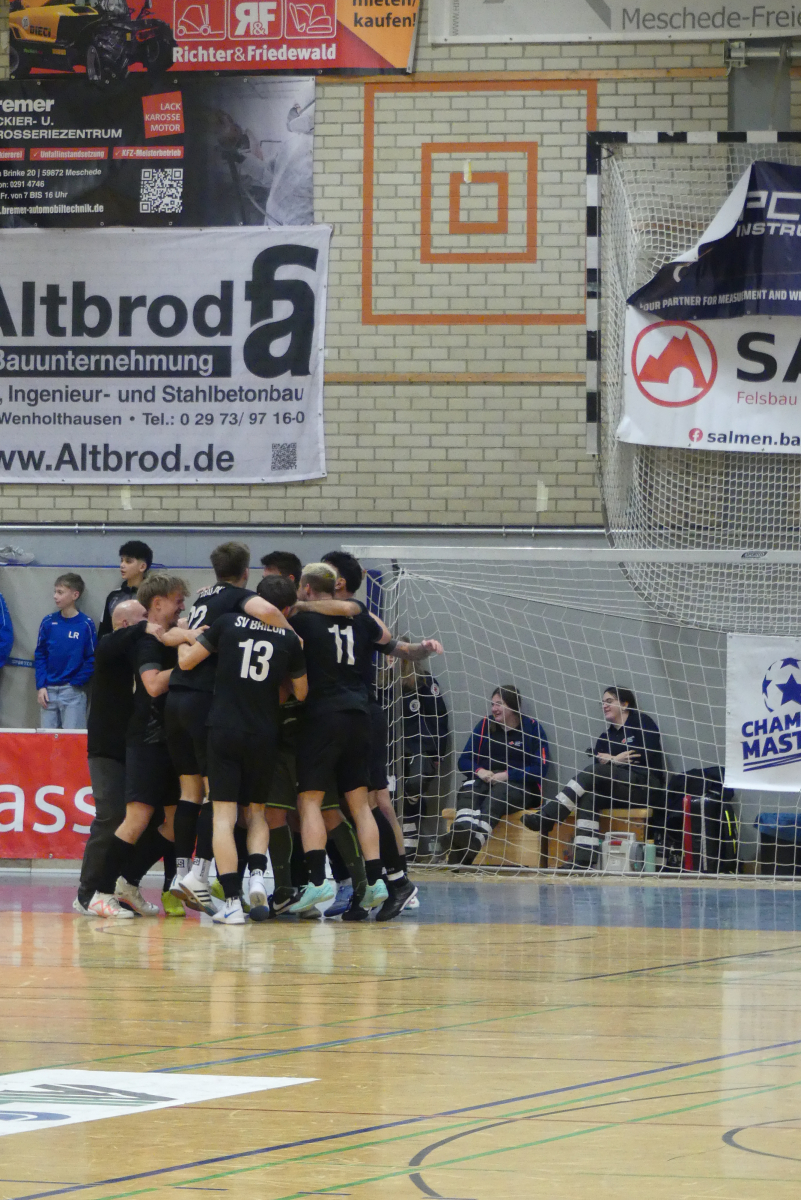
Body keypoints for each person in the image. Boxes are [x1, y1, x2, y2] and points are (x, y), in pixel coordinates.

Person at [164, 541, 293, 914]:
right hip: (210, 702)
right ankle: (201, 875)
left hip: (177, 699)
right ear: (246, 572)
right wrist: (292, 636)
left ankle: (185, 874)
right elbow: (269, 611)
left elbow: (173, 635)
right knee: (221, 800)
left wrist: (184, 636)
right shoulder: (241, 601)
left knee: (193, 793)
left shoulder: (204, 596)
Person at [175, 598, 308, 926]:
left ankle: (233, 901)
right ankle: (258, 878)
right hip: (263, 731)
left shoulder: (227, 623)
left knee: (224, 816)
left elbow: (188, 662)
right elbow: (302, 692)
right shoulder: (289, 638)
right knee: (257, 813)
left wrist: (180, 635)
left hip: (224, 728)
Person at [87, 574, 192, 919]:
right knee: (134, 818)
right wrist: (191, 664)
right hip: (146, 739)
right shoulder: (146, 640)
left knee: (174, 823)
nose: (182, 606)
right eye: (178, 600)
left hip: (171, 739)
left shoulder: (172, 635)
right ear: (157, 602)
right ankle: (100, 892)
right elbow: (153, 685)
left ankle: (128, 881)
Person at [287, 563, 390, 914]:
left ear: (307, 588)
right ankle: (375, 882)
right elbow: (387, 639)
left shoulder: (302, 620)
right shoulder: (359, 618)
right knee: (360, 804)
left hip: (323, 715)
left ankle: (317, 883)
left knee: (309, 802)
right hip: (360, 714)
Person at [523, 686, 666, 869]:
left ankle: (549, 815)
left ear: (624, 704)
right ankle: (583, 861)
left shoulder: (641, 722)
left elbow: (645, 754)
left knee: (594, 771)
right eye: (603, 703)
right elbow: (602, 772)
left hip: (645, 786)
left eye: (609, 701)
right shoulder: (605, 738)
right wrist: (616, 760)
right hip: (621, 791)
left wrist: (613, 760)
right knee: (589, 796)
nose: (604, 705)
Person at [73, 599, 147, 916]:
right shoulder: (107, 646)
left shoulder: (138, 651)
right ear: (126, 623)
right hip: (106, 748)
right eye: (143, 616)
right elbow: (120, 638)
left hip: (135, 747)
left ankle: (123, 886)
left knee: (142, 818)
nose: (149, 621)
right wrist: (156, 625)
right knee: (110, 817)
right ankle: (87, 894)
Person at [450, 686, 549, 866]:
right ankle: (460, 834)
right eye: (492, 704)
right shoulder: (485, 725)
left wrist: (507, 775)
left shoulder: (532, 728)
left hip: (522, 785)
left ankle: (469, 849)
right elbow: (464, 760)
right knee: (469, 788)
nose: (494, 709)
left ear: (512, 706)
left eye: (499, 704)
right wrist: (479, 771)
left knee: (497, 795)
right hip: (488, 780)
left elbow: (540, 768)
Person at [397, 658, 450, 860]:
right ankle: (403, 848)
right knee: (391, 795)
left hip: (420, 748)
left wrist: (438, 753)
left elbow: (439, 717)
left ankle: (409, 845)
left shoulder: (424, 682)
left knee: (414, 786)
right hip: (392, 750)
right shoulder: (382, 683)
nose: (391, 658)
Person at [35, 572, 96, 730]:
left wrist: (76, 682)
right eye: (55, 591)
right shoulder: (48, 622)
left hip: (72, 692)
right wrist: (41, 686)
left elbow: (92, 657)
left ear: (75, 595)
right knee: (47, 740)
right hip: (48, 691)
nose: (55, 596)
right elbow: (40, 654)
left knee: (72, 740)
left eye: (60, 592)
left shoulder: (85, 624)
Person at [98, 540, 152, 637]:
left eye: (128, 561)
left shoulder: (153, 596)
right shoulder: (113, 596)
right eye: (121, 560)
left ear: (142, 566)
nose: (122, 565)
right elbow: (104, 632)